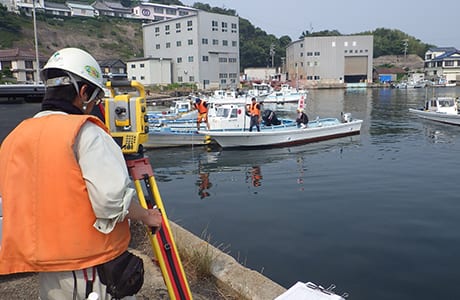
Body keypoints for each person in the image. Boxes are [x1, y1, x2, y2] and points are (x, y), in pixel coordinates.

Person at [0, 48, 162, 300]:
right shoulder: (85, 133)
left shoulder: (14, 138)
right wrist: (146, 216)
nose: (95, 106)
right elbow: (112, 203)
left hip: (48, 269)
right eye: (96, 98)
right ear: (83, 92)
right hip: (90, 269)